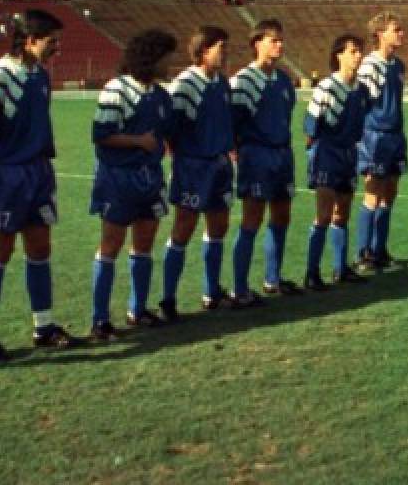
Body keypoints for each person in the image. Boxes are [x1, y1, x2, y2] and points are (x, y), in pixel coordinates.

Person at [0, 9, 76, 362]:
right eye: (51, 41)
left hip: (39, 173)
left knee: (40, 247)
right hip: (7, 174)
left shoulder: (40, 76)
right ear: (29, 40)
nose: (56, 48)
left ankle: (43, 327)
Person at [87, 30, 177, 340]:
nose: (170, 64)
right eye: (166, 57)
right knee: (110, 245)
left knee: (144, 244)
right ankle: (100, 319)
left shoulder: (162, 95)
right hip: (118, 179)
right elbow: (101, 134)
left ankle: (137, 310)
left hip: (150, 179)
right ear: (151, 59)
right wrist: (138, 141)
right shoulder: (117, 90)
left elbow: (170, 134)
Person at [158, 26, 235, 321]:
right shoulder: (186, 84)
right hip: (192, 166)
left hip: (219, 164)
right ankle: (167, 300)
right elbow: (172, 128)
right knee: (183, 229)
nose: (225, 53)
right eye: (220, 48)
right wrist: (186, 156)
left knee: (218, 227)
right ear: (204, 51)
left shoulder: (221, 83)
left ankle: (211, 292)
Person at [230, 19, 299, 305]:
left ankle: (272, 278)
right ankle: (239, 287)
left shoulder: (283, 80)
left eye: (281, 40)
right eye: (273, 40)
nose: (279, 45)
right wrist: (240, 153)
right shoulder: (244, 80)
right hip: (256, 155)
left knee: (281, 215)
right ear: (257, 43)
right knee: (252, 218)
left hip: (282, 153)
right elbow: (234, 122)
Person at [303, 34, 369, 289]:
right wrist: (316, 155)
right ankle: (312, 272)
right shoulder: (326, 87)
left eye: (359, 50)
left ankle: (341, 269)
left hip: (348, 153)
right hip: (327, 152)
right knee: (323, 214)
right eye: (352, 51)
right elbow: (310, 126)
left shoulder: (362, 90)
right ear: (339, 55)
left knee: (343, 212)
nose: (358, 55)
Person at [354, 12, 408, 271]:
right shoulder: (369, 66)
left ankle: (379, 250)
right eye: (396, 29)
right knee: (373, 193)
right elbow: (361, 104)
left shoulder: (398, 65)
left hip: (395, 136)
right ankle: (363, 253)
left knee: (390, 193)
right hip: (374, 136)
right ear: (379, 34)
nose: (401, 33)